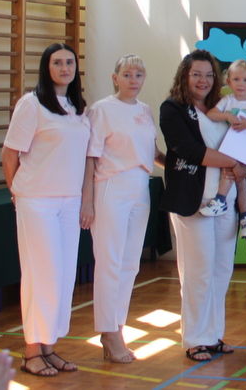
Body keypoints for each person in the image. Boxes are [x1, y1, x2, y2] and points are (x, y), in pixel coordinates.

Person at [1, 43, 90, 376]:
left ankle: (49, 347)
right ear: (46, 67)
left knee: (63, 276)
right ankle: (31, 353)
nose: (65, 68)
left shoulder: (79, 108)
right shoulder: (32, 104)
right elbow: (9, 154)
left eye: (69, 62)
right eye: (57, 63)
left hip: (69, 201)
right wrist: (17, 191)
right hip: (36, 200)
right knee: (41, 274)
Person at [159, 49, 246, 361]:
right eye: (196, 74)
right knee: (197, 271)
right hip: (193, 202)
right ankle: (195, 338)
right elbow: (189, 150)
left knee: (221, 271)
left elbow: (243, 143)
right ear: (184, 76)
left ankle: (212, 335)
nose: (203, 80)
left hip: (226, 201)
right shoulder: (172, 108)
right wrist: (233, 162)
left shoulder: (222, 107)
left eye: (209, 75)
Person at [83, 54, 164, 363]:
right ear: (115, 78)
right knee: (110, 261)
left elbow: (153, 152)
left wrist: (189, 166)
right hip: (110, 186)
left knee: (130, 263)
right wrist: (87, 200)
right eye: (127, 74)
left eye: (139, 74)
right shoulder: (101, 110)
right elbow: (90, 157)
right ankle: (107, 330)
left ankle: (117, 326)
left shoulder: (144, 110)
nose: (134, 80)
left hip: (141, 186)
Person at [201, 59, 246, 238]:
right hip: (230, 145)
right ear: (228, 82)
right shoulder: (227, 100)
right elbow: (211, 113)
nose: (241, 84)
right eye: (236, 79)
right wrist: (227, 115)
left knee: (231, 174)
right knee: (240, 183)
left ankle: (220, 200)